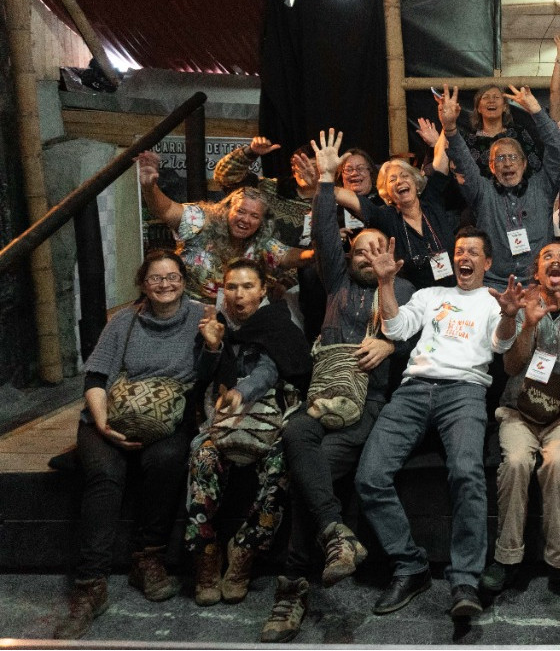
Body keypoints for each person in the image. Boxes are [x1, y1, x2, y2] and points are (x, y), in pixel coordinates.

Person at [257, 136, 417, 643]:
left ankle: (291, 592)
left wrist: (390, 347)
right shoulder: (337, 282)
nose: (368, 254)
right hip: (324, 394)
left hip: (369, 401)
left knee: (313, 471)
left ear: (389, 252)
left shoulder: (406, 290)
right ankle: (336, 534)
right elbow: (327, 233)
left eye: (377, 247)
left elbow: (420, 342)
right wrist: (325, 181)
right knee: (296, 431)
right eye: (360, 248)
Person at [353, 228, 520, 619]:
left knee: (466, 473)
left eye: (474, 252)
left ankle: (464, 579)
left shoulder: (494, 300)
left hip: (464, 393)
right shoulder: (431, 296)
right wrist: (385, 282)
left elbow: (502, 345)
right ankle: (410, 566)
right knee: (370, 476)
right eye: (460, 250)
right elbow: (395, 330)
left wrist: (511, 316)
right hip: (414, 390)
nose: (465, 257)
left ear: (487, 262)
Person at [53, 251, 217, 640]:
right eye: (156, 278)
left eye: (173, 277)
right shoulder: (124, 321)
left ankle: (148, 556)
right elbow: (94, 377)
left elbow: (208, 377)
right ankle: (90, 585)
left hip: (167, 418)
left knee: (169, 459)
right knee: (105, 476)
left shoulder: (202, 316)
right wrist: (104, 425)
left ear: (184, 280)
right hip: (110, 414)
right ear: (143, 283)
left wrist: (212, 347)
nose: (165, 285)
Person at [186, 259, 311, 607]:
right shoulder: (215, 325)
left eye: (247, 287)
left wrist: (242, 392)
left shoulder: (277, 323)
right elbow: (200, 377)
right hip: (221, 419)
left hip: (265, 418)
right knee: (204, 458)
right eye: (232, 287)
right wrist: (212, 347)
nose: (238, 295)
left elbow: (272, 367)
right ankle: (206, 554)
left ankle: (245, 549)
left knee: (280, 467)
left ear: (262, 290)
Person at [480, 242, 560, 595]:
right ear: (537, 272)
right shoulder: (521, 302)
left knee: (558, 462)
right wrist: (524, 323)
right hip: (519, 410)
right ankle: (507, 558)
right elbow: (511, 366)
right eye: (548, 258)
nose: (556, 261)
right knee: (514, 462)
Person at [298, 130, 465, 291]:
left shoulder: (432, 201)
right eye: (392, 179)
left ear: (416, 183)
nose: (400, 181)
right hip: (416, 305)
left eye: (405, 176)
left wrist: (446, 123)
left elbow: (441, 161)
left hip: (455, 293)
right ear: (387, 193)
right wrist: (324, 177)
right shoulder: (386, 217)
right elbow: (347, 197)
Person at [138, 150, 312, 304]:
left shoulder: (261, 241)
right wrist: (149, 187)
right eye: (241, 211)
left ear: (261, 223)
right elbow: (167, 209)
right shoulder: (202, 220)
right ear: (228, 209)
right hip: (186, 307)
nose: (245, 220)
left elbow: (289, 255)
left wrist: (322, 251)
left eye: (254, 216)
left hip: (231, 315)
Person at [439, 84, 560, 289]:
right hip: (493, 286)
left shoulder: (542, 186)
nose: (507, 163)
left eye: (513, 157)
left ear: (525, 164)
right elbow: (464, 161)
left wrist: (536, 111)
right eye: (499, 158)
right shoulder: (482, 191)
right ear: (490, 166)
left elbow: (557, 147)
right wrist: (451, 128)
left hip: (538, 284)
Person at [462, 84, 542, 178]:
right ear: (479, 108)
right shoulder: (468, 142)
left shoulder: (520, 134)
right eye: (485, 97)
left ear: (505, 107)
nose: (491, 100)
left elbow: (534, 167)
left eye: (496, 97)